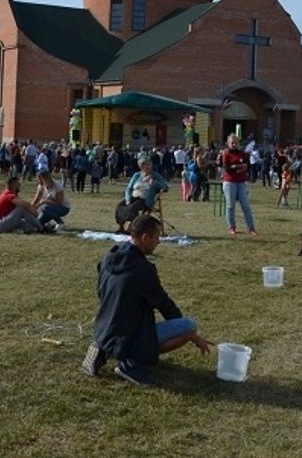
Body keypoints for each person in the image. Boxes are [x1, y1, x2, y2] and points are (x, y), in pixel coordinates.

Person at [82, 215, 213, 387]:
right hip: (127, 335)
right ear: (145, 237)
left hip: (103, 327)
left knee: (125, 319)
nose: (159, 242)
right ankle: (131, 364)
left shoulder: (109, 255)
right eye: (157, 237)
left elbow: (102, 289)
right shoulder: (143, 270)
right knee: (188, 325)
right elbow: (164, 303)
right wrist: (190, 334)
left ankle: (103, 347)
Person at [115, 157, 168, 232]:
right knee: (120, 206)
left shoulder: (155, 176)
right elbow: (129, 188)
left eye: (149, 164)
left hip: (145, 199)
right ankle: (121, 226)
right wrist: (127, 199)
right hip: (134, 197)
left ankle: (132, 228)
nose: (147, 166)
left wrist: (155, 183)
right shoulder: (136, 175)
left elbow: (165, 188)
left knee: (132, 208)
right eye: (145, 164)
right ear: (141, 166)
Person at [221, 134, 258, 237]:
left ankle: (251, 228)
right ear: (228, 143)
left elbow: (247, 166)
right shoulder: (226, 153)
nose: (234, 144)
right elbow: (227, 169)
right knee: (230, 206)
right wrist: (238, 167)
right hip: (229, 182)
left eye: (235, 142)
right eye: (232, 142)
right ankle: (232, 227)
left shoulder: (243, 154)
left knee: (245, 206)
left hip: (241, 182)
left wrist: (237, 167)